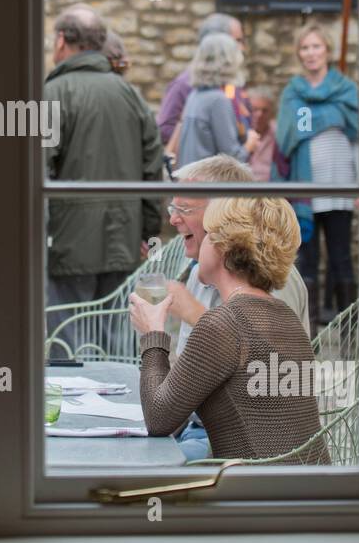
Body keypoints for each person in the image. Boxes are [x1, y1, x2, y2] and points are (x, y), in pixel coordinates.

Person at [130, 196, 329, 465]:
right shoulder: (284, 316)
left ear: (224, 246)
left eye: (209, 234)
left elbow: (158, 419)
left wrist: (152, 333)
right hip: (304, 491)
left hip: (254, 498)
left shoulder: (223, 324)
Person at [163, 155, 313, 463]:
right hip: (192, 426)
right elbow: (179, 388)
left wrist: (188, 317)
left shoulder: (274, 278)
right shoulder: (196, 273)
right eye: (172, 208)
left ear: (224, 213)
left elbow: (266, 376)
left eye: (184, 209)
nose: (173, 220)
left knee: (137, 476)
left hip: (235, 445)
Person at [44, 4, 163, 341]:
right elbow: (152, 169)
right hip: (124, 237)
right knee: (115, 340)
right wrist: (148, 230)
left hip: (68, 240)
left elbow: (35, 171)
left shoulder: (52, 93)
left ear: (62, 40)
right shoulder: (131, 95)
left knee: (67, 343)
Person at [276, 22, 359, 326]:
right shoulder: (293, 93)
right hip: (305, 189)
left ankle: (350, 332)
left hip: (340, 185)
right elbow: (292, 133)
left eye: (316, 46)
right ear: (299, 53)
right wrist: (328, 117)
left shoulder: (346, 90)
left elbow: (357, 137)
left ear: (327, 50)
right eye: (305, 47)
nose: (311, 53)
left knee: (341, 258)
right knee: (306, 261)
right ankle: (306, 333)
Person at [157, 12, 248, 145]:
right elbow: (164, 129)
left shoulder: (231, 83)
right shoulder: (184, 85)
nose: (242, 48)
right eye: (237, 41)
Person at [171, 33, 255, 168]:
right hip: (208, 184)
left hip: (191, 181)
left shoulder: (195, 96)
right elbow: (231, 158)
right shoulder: (218, 101)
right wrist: (249, 145)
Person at [243, 85, 288, 182]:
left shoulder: (279, 133)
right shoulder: (239, 132)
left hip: (271, 191)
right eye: (254, 109)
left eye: (264, 111)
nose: (259, 115)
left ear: (272, 112)